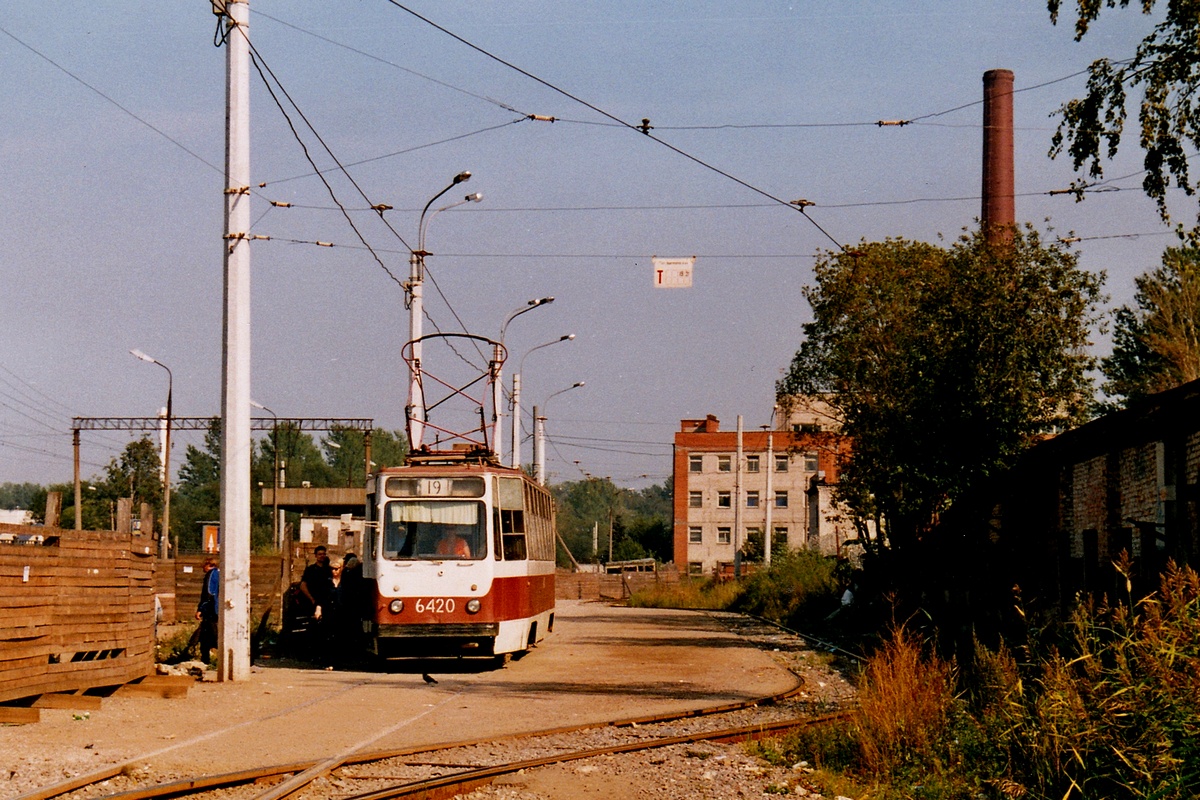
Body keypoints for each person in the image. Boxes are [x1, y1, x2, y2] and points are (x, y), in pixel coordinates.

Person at [195, 557, 219, 663]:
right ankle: (206, 658)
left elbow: (208, 593)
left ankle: (206, 659)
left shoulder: (211, 575)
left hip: (211, 609)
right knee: (207, 634)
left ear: (208, 565)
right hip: (217, 609)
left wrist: (201, 609)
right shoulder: (219, 573)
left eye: (203, 565)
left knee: (211, 634)